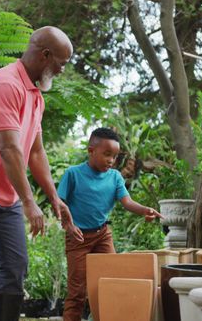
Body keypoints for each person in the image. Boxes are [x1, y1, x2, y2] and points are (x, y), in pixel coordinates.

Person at [0, 26, 83, 321]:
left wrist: (53, 198)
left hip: (5, 188)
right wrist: (28, 201)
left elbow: (35, 152)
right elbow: (9, 149)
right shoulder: (6, 85)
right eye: (61, 62)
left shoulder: (35, 95)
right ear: (45, 55)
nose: (62, 70)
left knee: (15, 267)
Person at [57, 127, 164, 321]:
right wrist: (68, 227)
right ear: (91, 151)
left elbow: (127, 202)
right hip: (77, 238)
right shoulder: (73, 174)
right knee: (77, 290)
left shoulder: (114, 177)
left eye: (114, 156)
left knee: (110, 281)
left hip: (102, 235)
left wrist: (145, 210)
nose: (111, 161)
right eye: (107, 154)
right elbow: (58, 204)